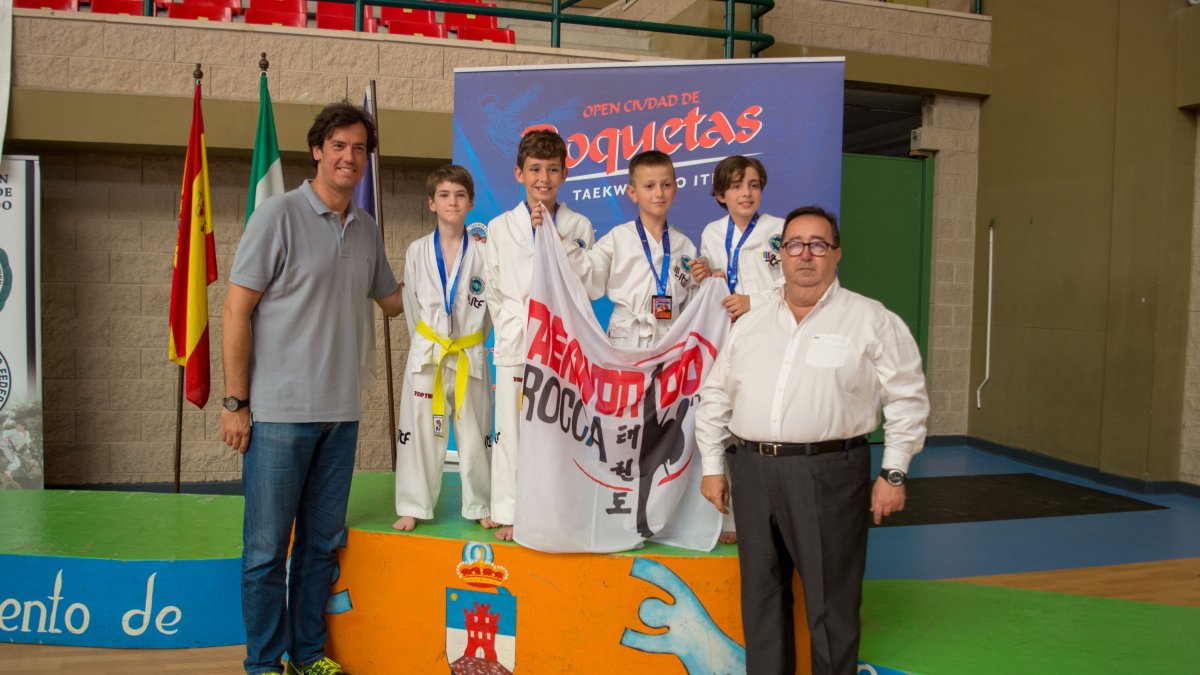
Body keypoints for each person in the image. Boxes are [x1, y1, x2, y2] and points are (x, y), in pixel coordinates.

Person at [695, 205, 929, 675]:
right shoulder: (752, 323)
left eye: (818, 245)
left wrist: (894, 471)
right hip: (753, 471)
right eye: (794, 244)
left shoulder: (870, 319)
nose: (806, 254)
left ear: (836, 255)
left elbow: (908, 397)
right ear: (779, 255)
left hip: (830, 473)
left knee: (831, 603)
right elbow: (717, 394)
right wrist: (713, 465)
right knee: (761, 599)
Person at [220, 101, 404, 675]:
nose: (349, 157)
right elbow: (233, 311)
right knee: (266, 553)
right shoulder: (276, 215)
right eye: (339, 146)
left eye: (359, 149)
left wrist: (473, 264)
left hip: (340, 416)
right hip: (276, 416)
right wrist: (235, 403)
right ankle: (263, 664)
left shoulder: (367, 228)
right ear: (318, 151)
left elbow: (396, 304)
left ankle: (306, 655)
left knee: (320, 550)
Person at [479, 129, 595, 541]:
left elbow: (589, 286)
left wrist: (553, 236)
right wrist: (517, 324)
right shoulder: (498, 226)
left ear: (564, 174)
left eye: (551, 169)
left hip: (560, 344)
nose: (543, 178)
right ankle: (509, 510)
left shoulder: (578, 224)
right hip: (515, 341)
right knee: (510, 429)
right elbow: (493, 288)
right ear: (518, 173)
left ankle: (556, 508)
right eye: (534, 169)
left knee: (558, 427)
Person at [689, 155, 786, 545]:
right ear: (720, 194)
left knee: (761, 429)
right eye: (736, 186)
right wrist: (705, 277)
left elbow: (797, 288)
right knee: (717, 423)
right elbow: (716, 285)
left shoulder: (780, 231)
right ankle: (727, 522)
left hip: (769, 339)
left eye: (753, 185)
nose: (746, 193)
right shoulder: (712, 233)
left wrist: (754, 300)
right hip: (726, 341)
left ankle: (773, 517)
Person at [393, 165, 494, 532]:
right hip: (429, 354)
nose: (453, 201)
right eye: (445, 195)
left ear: (470, 203)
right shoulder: (417, 251)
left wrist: (472, 343)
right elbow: (412, 310)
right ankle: (413, 504)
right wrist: (428, 343)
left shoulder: (485, 253)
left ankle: (481, 502)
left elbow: (490, 314)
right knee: (420, 430)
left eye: (460, 195)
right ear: (431, 203)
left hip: (469, 353)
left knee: (475, 431)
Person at [560, 149, 699, 348]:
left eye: (666, 185)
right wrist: (560, 243)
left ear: (675, 189)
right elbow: (590, 271)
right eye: (649, 186)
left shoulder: (684, 245)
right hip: (626, 339)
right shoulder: (618, 237)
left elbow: (692, 303)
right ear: (632, 193)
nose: (659, 193)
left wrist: (708, 278)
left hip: (670, 341)